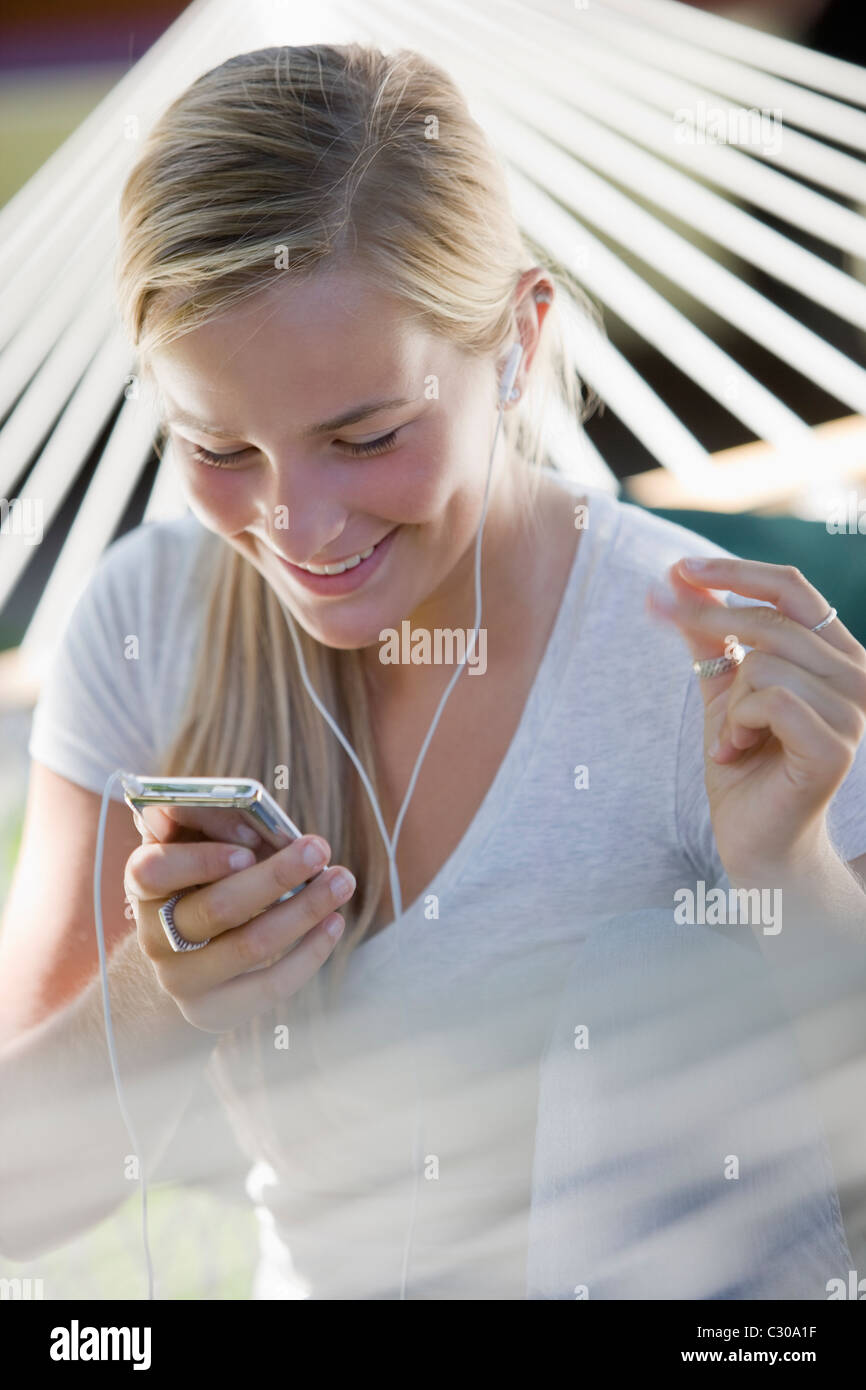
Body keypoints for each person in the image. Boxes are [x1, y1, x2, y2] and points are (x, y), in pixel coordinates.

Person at [2, 43, 865, 1300]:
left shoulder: (698, 673)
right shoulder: (152, 617)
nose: (295, 528)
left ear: (517, 338)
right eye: (219, 445)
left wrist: (784, 875)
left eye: (364, 436)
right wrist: (160, 1000)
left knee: (654, 970)